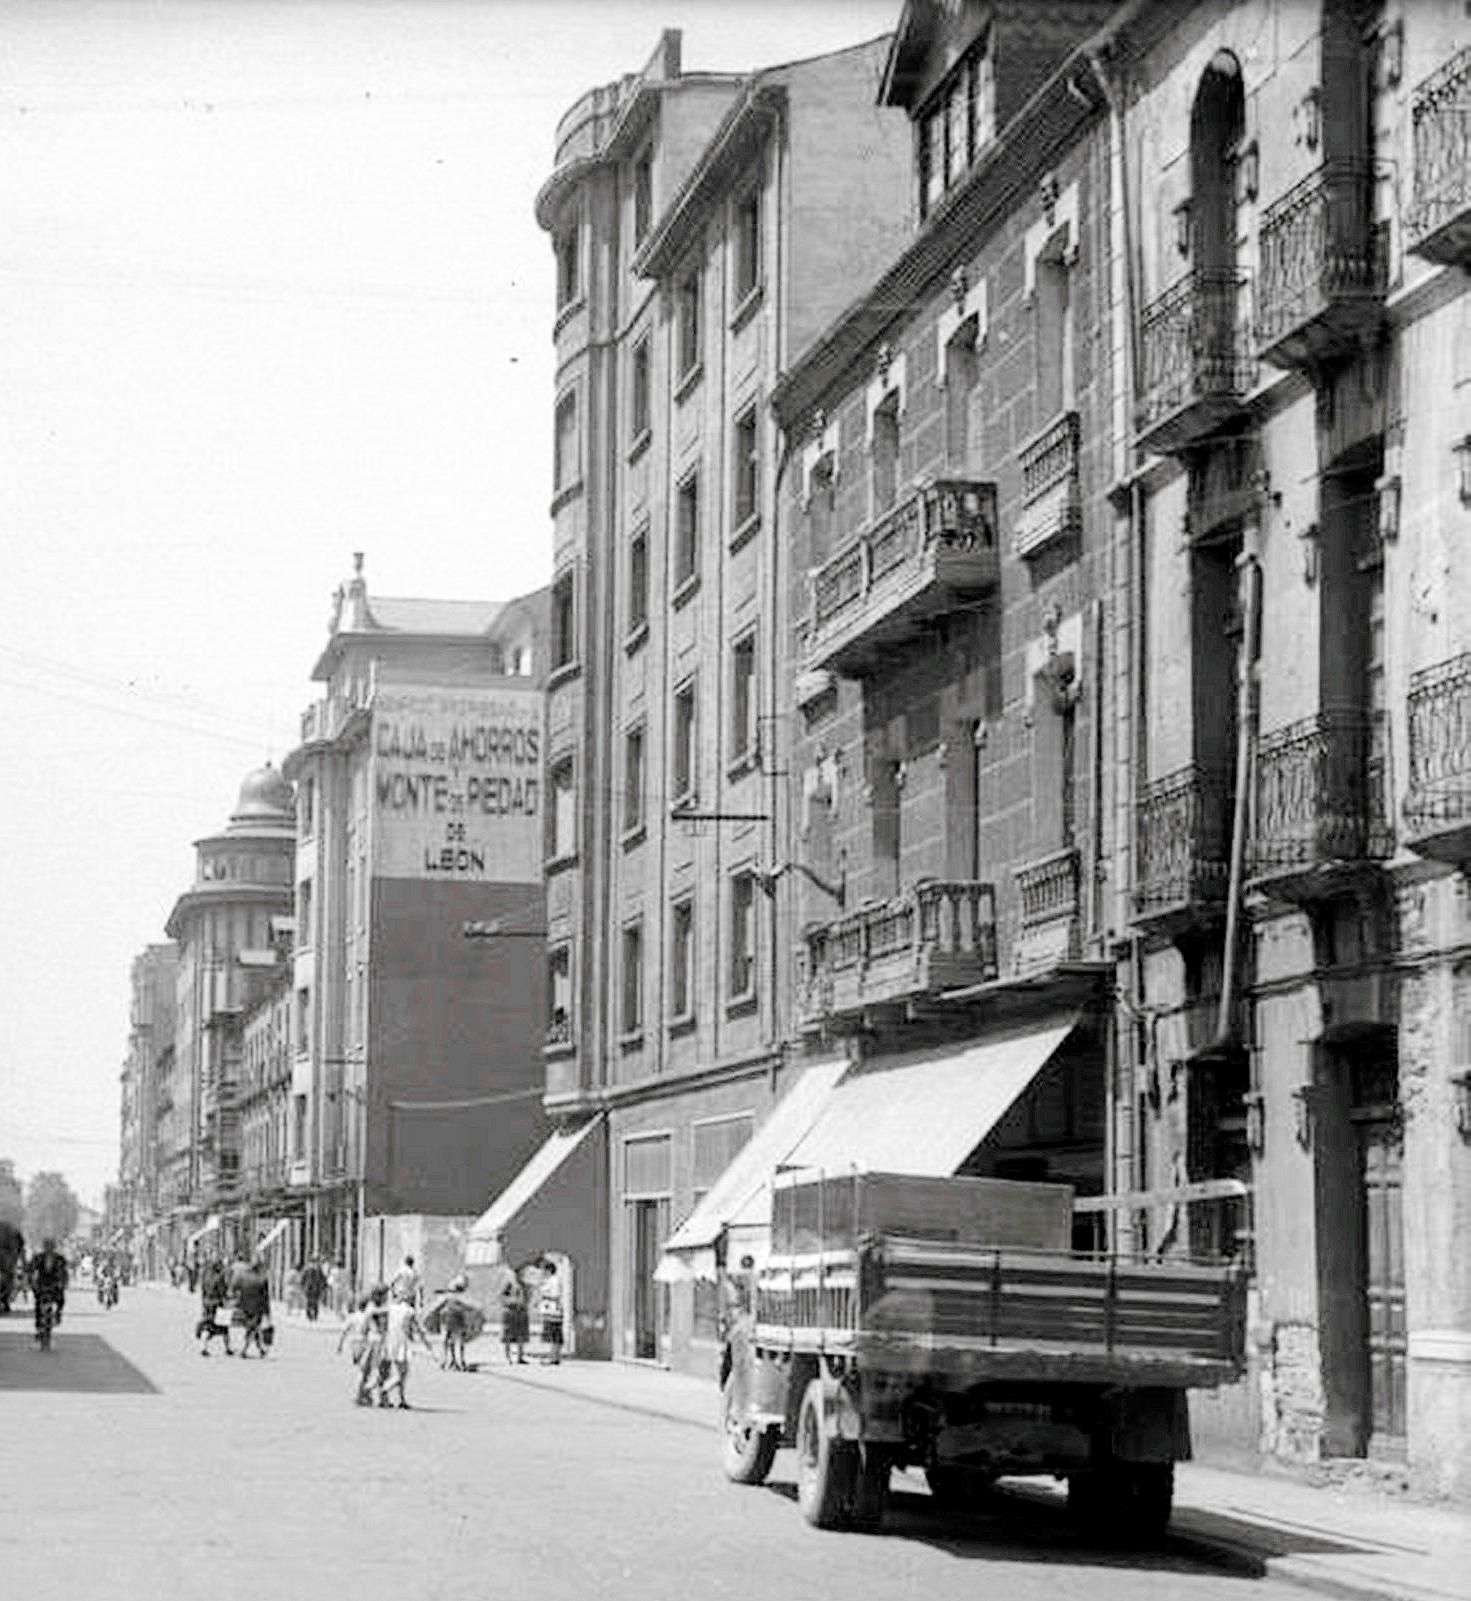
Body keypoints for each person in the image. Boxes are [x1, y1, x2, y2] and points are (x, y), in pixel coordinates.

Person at [379, 1292, 433, 1408]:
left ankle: (401, 1399)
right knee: (402, 1374)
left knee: (400, 1371)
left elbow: (383, 1324)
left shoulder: (391, 1309)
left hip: (391, 1341)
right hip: (402, 1342)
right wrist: (427, 1343)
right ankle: (385, 1389)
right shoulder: (409, 1311)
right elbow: (417, 1329)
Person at [27, 1237, 69, 1344]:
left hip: (54, 1285)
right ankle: (38, 1327)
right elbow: (31, 1271)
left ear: (54, 1247)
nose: (49, 1248)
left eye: (51, 1246)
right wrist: (32, 1283)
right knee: (38, 1305)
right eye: (47, 1246)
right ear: (44, 1247)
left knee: (61, 1299)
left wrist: (63, 1283)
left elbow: (64, 1273)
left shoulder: (60, 1259)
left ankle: (58, 1313)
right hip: (41, 1285)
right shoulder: (38, 1258)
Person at [354, 1286, 390, 1407]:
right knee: (378, 1370)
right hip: (376, 1342)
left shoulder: (377, 1309)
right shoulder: (374, 1309)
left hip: (374, 1341)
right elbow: (364, 1326)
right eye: (385, 1295)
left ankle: (370, 1395)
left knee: (372, 1371)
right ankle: (365, 1393)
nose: (387, 1297)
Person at [234, 1256, 273, 1358]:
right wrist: (268, 1313)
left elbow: (235, 1288)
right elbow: (266, 1297)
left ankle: (261, 1349)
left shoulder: (243, 1276)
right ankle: (244, 1349)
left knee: (254, 1328)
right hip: (258, 1308)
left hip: (244, 1307)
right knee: (253, 1328)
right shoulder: (262, 1279)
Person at [536, 1260, 564, 1366]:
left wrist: (544, 1295)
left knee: (554, 1335)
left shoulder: (554, 1281)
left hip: (553, 1311)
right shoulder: (548, 1281)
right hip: (550, 1311)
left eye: (544, 1270)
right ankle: (554, 1357)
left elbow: (555, 1294)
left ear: (548, 1270)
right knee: (552, 1335)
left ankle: (554, 1357)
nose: (542, 1272)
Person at [499, 1269, 528, 1365]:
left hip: (520, 1312)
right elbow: (501, 1297)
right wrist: (511, 1301)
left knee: (521, 1335)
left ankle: (520, 1357)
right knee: (507, 1335)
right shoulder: (508, 1285)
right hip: (510, 1311)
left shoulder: (524, 1285)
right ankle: (508, 1357)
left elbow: (527, 1298)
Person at [301, 1258, 327, 1323]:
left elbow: (323, 1279)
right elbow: (303, 1279)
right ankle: (309, 1315)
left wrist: (324, 1286)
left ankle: (314, 1316)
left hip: (316, 1289)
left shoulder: (318, 1270)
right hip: (309, 1289)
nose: (313, 1264)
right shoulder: (307, 1270)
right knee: (309, 1302)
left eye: (314, 1263)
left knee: (315, 1303)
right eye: (312, 1263)